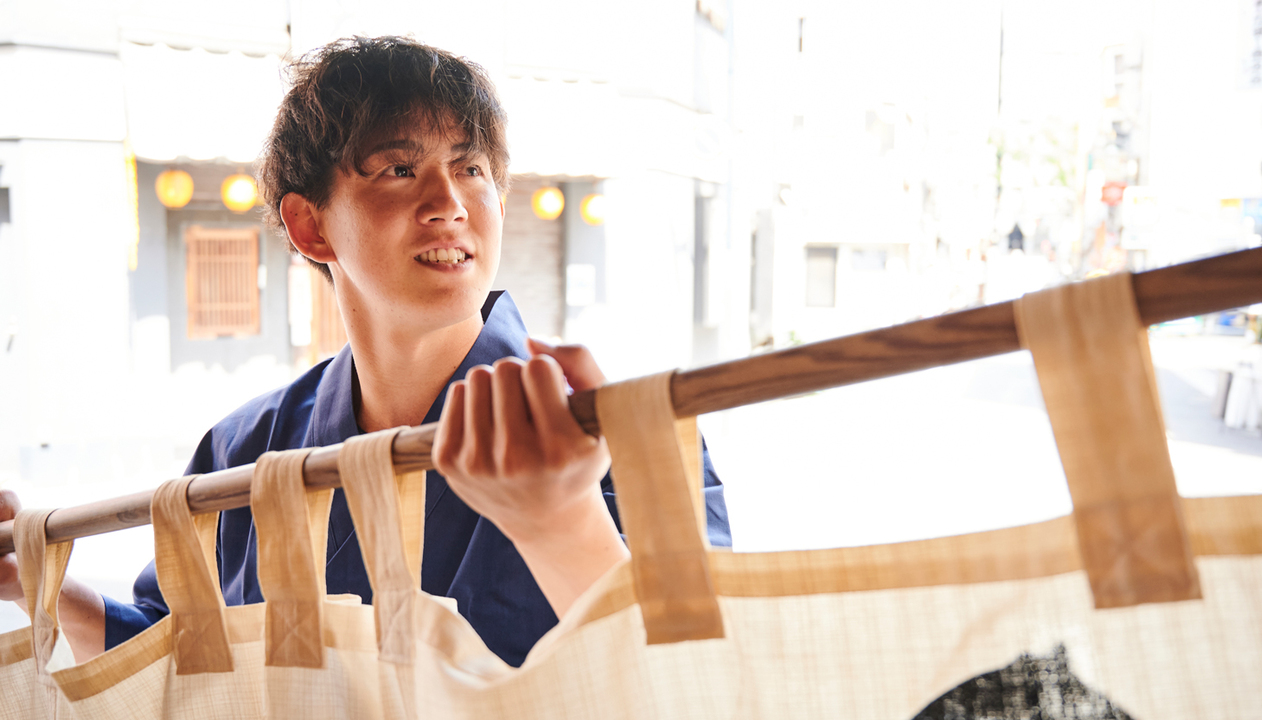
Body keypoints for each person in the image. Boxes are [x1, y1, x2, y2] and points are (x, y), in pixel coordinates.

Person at [0, 35, 731, 668]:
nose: (450, 202)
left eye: (472, 169)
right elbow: (180, 659)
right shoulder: (244, 455)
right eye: (398, 169)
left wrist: (563, 519)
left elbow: (713, 679)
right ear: (311, 226)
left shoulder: (627, 431)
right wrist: (41, 587)